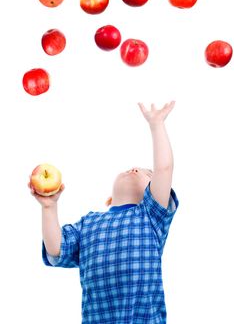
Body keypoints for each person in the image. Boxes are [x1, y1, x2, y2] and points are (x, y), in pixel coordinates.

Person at [29, 101, 179, 324]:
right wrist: (49, 207)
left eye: (147, 173)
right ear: (109, 199)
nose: (135, 169)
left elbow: (165, 168)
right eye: (130, 169)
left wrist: (156, 125)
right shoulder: (89, 224)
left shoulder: (150, 216)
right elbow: (55, 248)